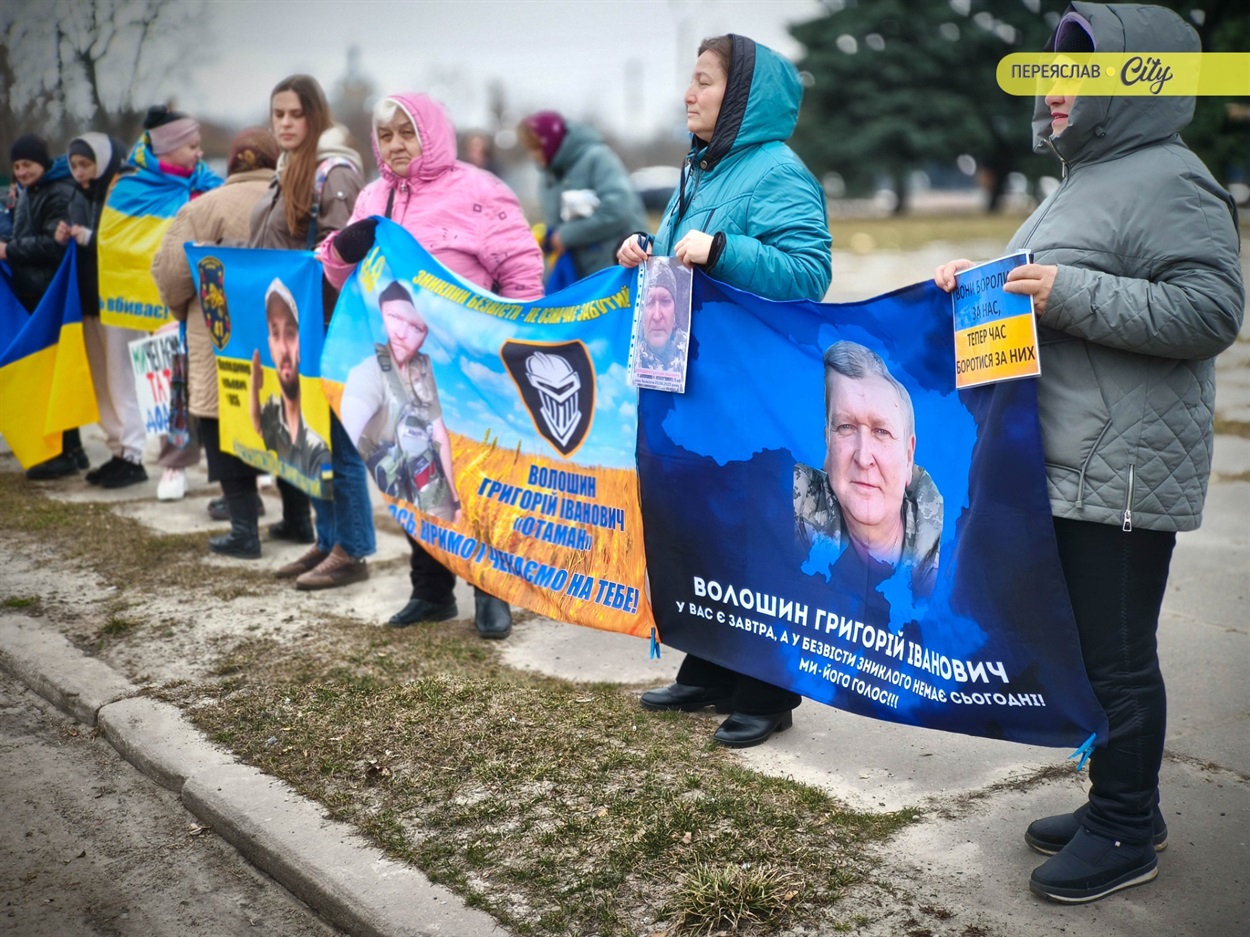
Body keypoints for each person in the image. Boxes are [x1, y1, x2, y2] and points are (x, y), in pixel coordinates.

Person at [934, 4, 1243, 904]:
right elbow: (1043, 300)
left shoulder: (1174, 180)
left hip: (1125, 468)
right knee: (1083, 646)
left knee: (1115, 654)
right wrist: (976, 286)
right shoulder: (1079, 184)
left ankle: (1124, 826)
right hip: (1068, 463)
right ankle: (1121, 802)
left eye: (1079, 71)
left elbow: (1210, 313)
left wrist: (1066, 291)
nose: (1055, 89)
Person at [617, 34, 832, 748]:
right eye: (692, 81)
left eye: (705, 82)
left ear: (739, 96)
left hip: (754, 395)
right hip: (697, 390)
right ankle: (709, 667)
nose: (689, 94)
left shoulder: (779, 170)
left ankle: (768, 690)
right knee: (702, 527)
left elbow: (809, 273)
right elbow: (686, 257)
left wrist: (724, 251)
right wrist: (644, 250)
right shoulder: (700, 169)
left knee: (755, 537)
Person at [320, 91, 543, 638]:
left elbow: (520, 271)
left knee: (476, 476)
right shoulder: (372, 195)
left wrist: (512, 340)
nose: (397, 145)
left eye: (407, 132)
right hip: (398, 363)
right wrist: (345, 245)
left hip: (469, 366)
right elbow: (333, 273)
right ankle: (431, 592)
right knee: (413, 475)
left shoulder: (479, 191)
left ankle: (491, 591)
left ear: (432, 133)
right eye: (387, 135)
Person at [250, 74, 372, 592]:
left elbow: (341, 254)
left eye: (294, 114)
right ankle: (327, 540)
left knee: (341, 445)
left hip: (329, 327)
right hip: (297, 329)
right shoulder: (286, 170)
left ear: (314, 116)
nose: (284, 124)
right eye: (277, 114)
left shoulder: (334, 172)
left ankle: (354, 548)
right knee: (311, 439)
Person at [152, 128, 280, 558]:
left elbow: (171, 274)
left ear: (232, 164)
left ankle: (245, 530)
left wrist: (180, 311)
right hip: (283, 336)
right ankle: (298, 520)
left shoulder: (203, 208)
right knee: (284, 424)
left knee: (221, 422)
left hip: (217, 337)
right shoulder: (295, 202)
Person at [89, 105, 220, 490]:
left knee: (170, 377)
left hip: (177, 298)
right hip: (125, 297)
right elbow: (111, 240)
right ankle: (128, 453)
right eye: (192, 145)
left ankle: (173, 462)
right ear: (166, 148)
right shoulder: (128, 183)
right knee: (123, 374)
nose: (199, 152)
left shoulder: (206, 183)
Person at [793, 341, 941, 600]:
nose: (863, 457)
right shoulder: (792, 500)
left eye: (881, 431)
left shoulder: (956, 548)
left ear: (909, 457)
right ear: (827, 442)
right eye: (846, 427)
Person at [1, 134, 87, 479]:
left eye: (28, 165)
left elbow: (54, 246)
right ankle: (72, 449)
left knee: (54, 376)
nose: (22, 172)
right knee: (51, 376)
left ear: (44, 163)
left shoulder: (58, 192)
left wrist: (9, 251)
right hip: (34, 295)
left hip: (52, 296)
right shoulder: (27, 193)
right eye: (17, 166)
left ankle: (63, 453)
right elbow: (25, 233)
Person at [340, 281, 461, 520]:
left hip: (423, 490)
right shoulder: (367, 374)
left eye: (416, 327)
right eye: (393, 317)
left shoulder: (423, 368)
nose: (401, 333)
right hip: (388, 496)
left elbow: (438, 432)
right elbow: (346, 445)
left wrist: (455, 500)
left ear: (426, 333)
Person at [519, 110, 647, 281]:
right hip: (575, 272)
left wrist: (564, 236)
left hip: (613, 269)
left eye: (536, 147)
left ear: (550, 142)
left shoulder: (598, 158)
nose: (533, 154)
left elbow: (618, 210)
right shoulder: (547, 175)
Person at [249, 280, 330, 476]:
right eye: (276, 334)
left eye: (290, 334)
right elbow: (258, 424)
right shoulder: (274, 415)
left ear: (300, 344)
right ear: (270, 346)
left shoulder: (317, 449)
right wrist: (254, 387)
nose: (284, 348)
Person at [634, 257, 688, 374]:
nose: (657, 316)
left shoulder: (694, 352)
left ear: (675, 309)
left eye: (665, 301)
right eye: (649, 302)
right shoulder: (629, 358)